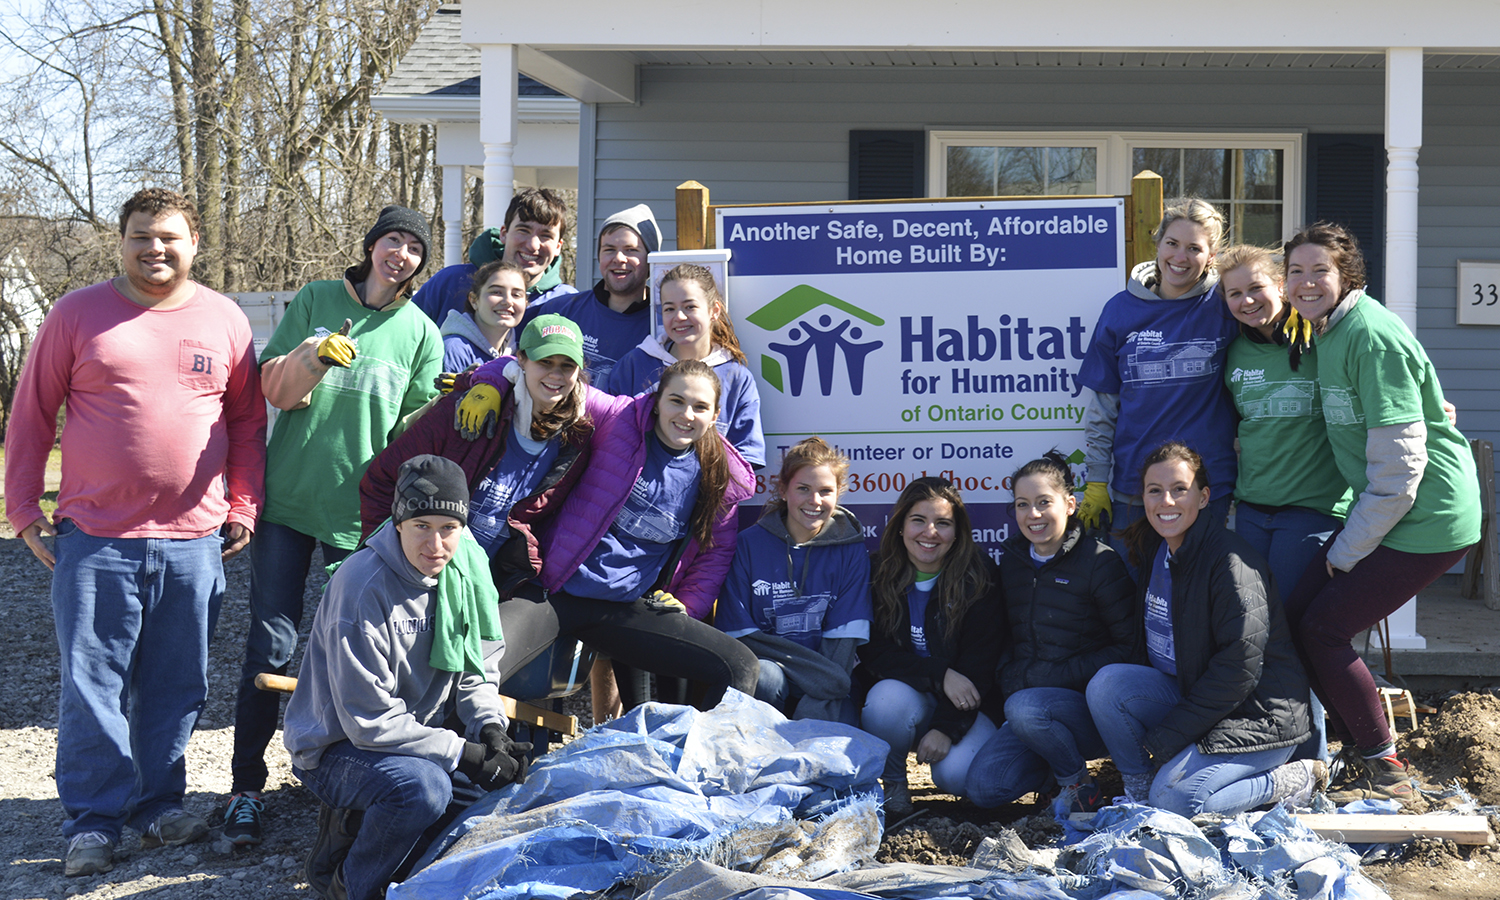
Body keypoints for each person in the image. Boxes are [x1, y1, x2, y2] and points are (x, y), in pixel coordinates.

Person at [3, 188, 267, 877]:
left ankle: (156, 807)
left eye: (170, 237)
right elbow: (32, 413)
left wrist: (245, 504)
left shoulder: (224, 320)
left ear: (195, 245)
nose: (156, 248)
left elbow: (246, 424)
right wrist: (24, 509)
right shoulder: (76, 315)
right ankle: (92, 822)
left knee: (178, 683)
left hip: (194, 540)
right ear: (120, 242)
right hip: (96, 536)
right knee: (92, 682)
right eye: (142, 236)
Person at [227, 205, 443, 847]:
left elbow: (410, 434)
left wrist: (446, 404)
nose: (400, 254)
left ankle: (344, 780)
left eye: (413, 248)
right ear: (372, 246)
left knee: (357, 652)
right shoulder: (318, 298)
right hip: (290, 505)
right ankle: (244, 788)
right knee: (270, 645)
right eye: (392, 241)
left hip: (363, 520)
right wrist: (315, 356)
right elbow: (275, 391)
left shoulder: (421, 332)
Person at [1278, 223, 1481, 803]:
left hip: (1426, 515)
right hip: (1389, 508)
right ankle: (1356, 748)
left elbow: (1398, 474)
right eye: (1296, 271)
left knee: (1324, 626)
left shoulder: (1369, 334)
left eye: (1320, 270)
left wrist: (1346, 551)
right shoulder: (1326, 331)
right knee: (1297, 620)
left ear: (1348, 276)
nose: (1306, 281)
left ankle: (1385, 767)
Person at [284, 455, 528, 900]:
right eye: (422, 526)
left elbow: (477, 670)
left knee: (489, 801)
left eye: (448, 528)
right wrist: (462, 752)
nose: (435, 544)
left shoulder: (466, 571)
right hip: (337, 746)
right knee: (422, 790)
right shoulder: (362, 585)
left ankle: (371, 843)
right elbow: (367, 720)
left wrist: (489, 728)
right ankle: (350, 887)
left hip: (413, 739)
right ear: (398, 523)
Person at [453, 357, 761, 709]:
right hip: (553, 594)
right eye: (676, 400)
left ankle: (706, 762)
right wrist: (488, 385)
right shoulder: (618, 418)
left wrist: (688, 604)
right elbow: (535, 373)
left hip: (623, 610)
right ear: (657, 400)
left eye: (700, 407)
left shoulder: (719, 475)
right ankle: (453, 758)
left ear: (715, 416)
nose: (687, 415)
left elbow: (715, 551)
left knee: (740, 666)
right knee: (473, 670)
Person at [1086, 442, 1321, 817]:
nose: (1167, 501)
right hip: (1198, 695)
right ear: (1143, 498)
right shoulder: (1157, 549)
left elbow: (1238, 668)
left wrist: (1167, 739)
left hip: (1258, 715)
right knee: (1107, 686)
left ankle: (1292, 779)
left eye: (1180, 489)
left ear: (1203, 496)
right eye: (1155, 491)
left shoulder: (1231, 564)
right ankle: (1140, 794)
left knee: (1177, 799)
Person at [963, 452, 1136, 813]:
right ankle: (1053, 775)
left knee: (1025, 707)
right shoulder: (1011, 561)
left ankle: (1078, 786)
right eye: (1022, 504)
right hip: (1028, 711)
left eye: (1044, 502)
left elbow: (1129, 648)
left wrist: (1052, 676)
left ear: (1070, 504)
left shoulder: (1100, 562)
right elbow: (1005, 636)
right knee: (984, 788)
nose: (1033, 514)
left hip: (1087, 712)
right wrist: (1010, 674)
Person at [360, 314, 594, 581]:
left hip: (486, 585)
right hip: (418, 574)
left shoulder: (576, 439)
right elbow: (382, 479)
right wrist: (387, 559)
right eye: (545, 361)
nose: (555, 374)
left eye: (567, 365)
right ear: (522, 359)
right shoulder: (465, 409)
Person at [1077, 198, 1239, 566]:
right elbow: (1104, 409)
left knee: (1198, 603)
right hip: (1133, 490)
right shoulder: (1120, 309)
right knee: (1129, 605)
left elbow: (1265, 306)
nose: (1180, 257)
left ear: (1211, 256)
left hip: (1205, 489)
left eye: (1195, 248)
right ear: (1158, 243)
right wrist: (1097, 481)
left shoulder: (1224, 306)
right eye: (1172, 243)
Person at [855, 477, 1003, 818]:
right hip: (910, 696)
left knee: (958, 777)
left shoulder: (979, 576)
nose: (929, 532)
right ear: (901, 525)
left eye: (943, 523)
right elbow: (874, 652)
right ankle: (893, 785)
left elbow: (980, 666)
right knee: (884, 702)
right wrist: (939, 673)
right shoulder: (878, 572)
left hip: (966, 703)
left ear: (958, 532)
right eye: (918, 520)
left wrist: (945, 728)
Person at [716, 437, 871, 721]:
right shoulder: (747, 546)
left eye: (826, 491)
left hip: (830, 684)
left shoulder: (851, 550)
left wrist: (813, 708)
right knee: (766, 676)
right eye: (803, 489)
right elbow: (743, 638)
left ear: (839, 494)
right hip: (787, 676)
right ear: (783, 490)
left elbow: (842, 647)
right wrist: (817, 676)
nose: (815, 501)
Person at [606, 263, 766, 468]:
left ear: (714, 310)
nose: (679, 317)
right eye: (669, 308)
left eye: (690, 307)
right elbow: (609, 437)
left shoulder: (736, 378)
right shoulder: (634, 365)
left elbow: (746, 459)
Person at [523, 203, 661, 384]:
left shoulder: (662, 326)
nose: (619, 258)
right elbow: (516, 360)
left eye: (631, 250)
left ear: (651, 260)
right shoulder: (561, 310)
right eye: (609, 249)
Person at [411, 188, 577, 324]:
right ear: (503, 234)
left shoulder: (568, 304)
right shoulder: (451, 282)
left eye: (546, 235)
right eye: (523, 231)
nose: (533, 245)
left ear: (558, 246)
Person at [440, 261, 529, 373]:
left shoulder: (520, 358)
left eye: (516, 295)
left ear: (526, 303)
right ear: (474, 300)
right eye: (496, 292)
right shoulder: (454, 350)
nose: (508, 301)